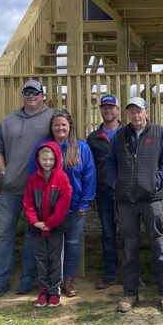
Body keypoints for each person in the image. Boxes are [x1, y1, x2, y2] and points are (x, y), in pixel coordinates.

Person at [108, 97, 163, 313]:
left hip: (152, 199)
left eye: (139, 111)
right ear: (127, 114)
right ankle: (130, 293)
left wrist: (153, 183)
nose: (136, 115)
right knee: (129, 247)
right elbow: (110, 163)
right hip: (126, 200)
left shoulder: (159, 133)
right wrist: (116, 183)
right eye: (132, 112)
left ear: (146, 112)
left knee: (159, 246)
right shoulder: (120, 135)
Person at [0, 80, 54, 298]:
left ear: (42, 95)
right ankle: (0, 280)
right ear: (22, 95)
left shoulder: (51, 118)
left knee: (32, 235)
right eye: (27, 92)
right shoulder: (8, 121)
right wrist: (3, 170)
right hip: (10, 188)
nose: (31, 96)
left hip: (37, 190)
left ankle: (28, 278)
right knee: (3, 234)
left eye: (35, 92)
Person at [29, 110, 95, 298]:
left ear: (70, 127)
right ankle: (50, 282)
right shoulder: (43, 147)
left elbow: (89, 177)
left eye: (64, 124)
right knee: (51, 247)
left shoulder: (81, 148)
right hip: (49, 208)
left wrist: (84, 203)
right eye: (57, 124)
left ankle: (69, 280)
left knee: (73, 243)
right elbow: (34, 176)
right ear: (51, 127)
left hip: (75, 207)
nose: (60, 127)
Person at [23, 142, 72, 308]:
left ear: (57, 159)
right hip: (37, 227)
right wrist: (35, 221)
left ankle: (54, 290)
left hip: (56, 227)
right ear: (38, 159)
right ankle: (43, 289)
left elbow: (63, 204)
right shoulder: (32, 180)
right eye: (44, 159)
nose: (48, 162)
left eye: (51, 159)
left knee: (56, 258)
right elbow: (28, 203)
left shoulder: (62, 178)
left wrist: (50, 223)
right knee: (41, 258)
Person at [86, 94, 122, 288]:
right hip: (103, 192)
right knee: (108, 233)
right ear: (100, 110)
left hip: (126, 193)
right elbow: (89, 169)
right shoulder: (93, 138)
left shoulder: (128, 132)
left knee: (128, 233)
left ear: (117, 110)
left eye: (111, 107)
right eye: (104, 107)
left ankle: (132, 273)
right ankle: (110, 272)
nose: (108, 111)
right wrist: (90, 194)